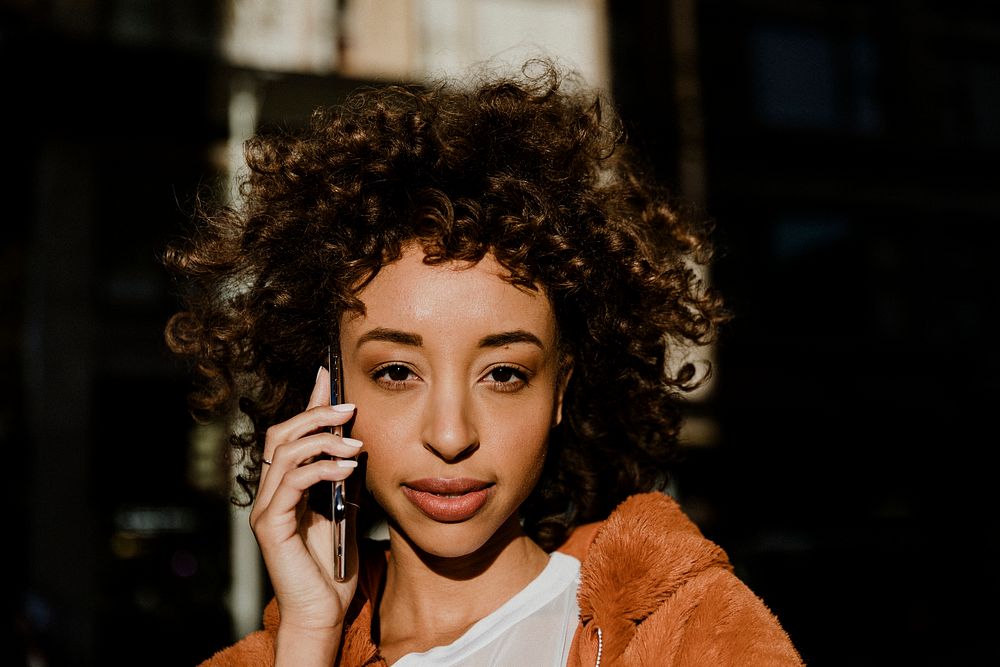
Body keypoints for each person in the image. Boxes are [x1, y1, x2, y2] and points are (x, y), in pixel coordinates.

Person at [163, 58, 804, 666]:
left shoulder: (686, 628)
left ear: (560, 390)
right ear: (325, 393)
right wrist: (308, 636)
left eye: (503, 375)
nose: (450, 436)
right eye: (395, 373)